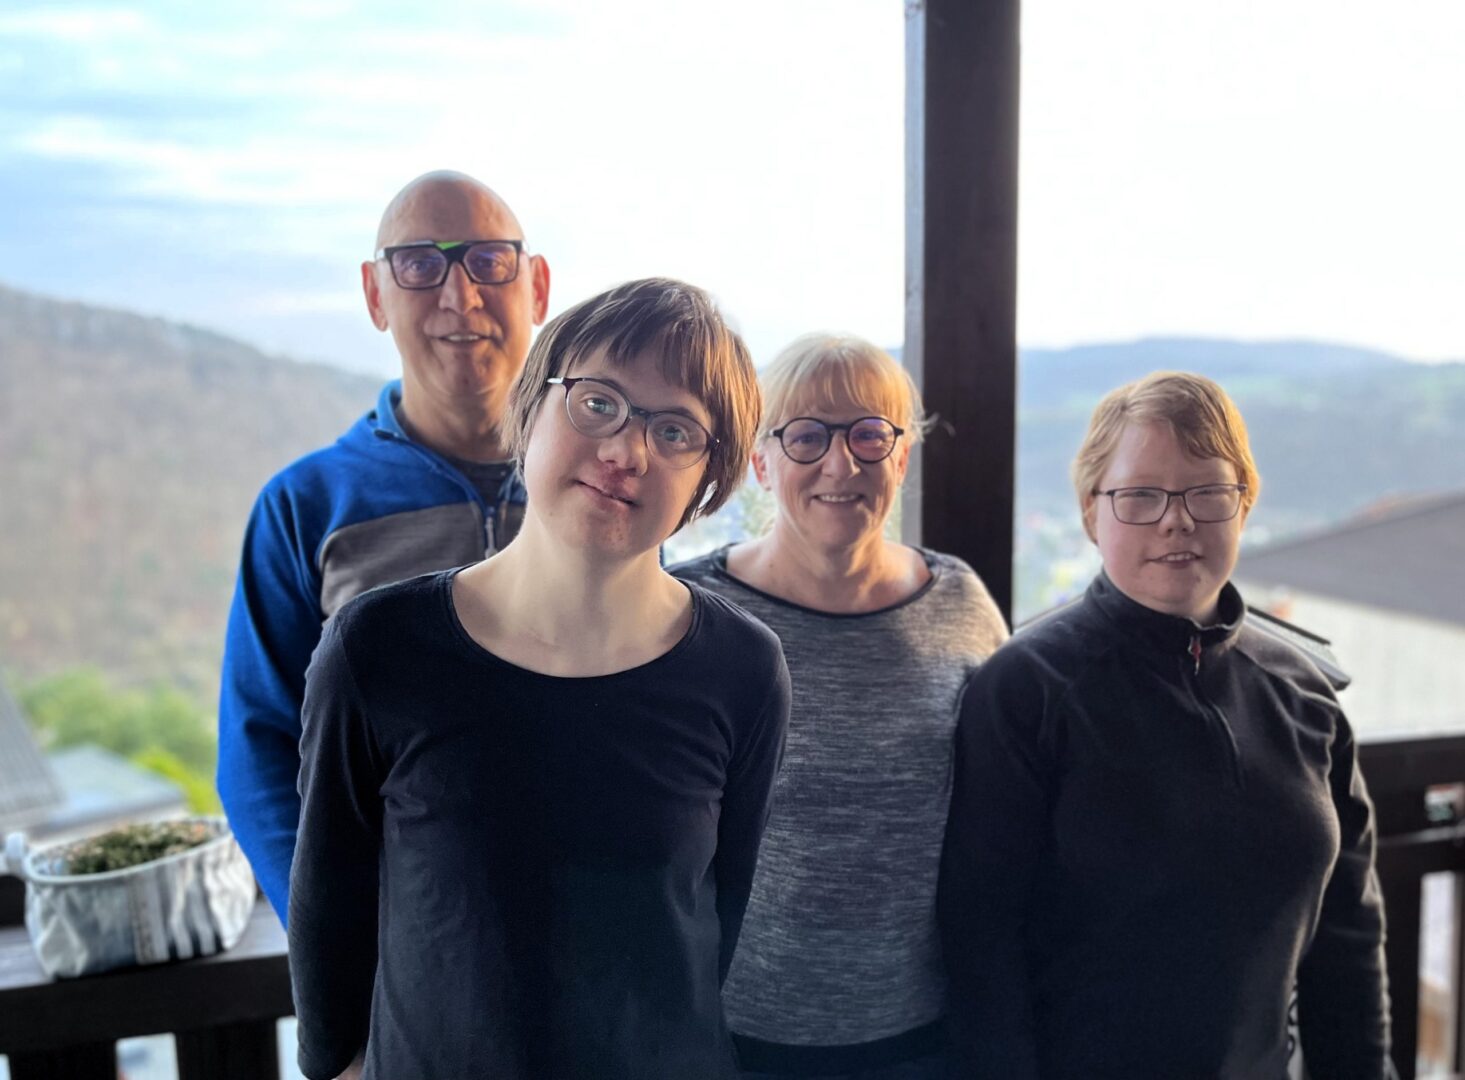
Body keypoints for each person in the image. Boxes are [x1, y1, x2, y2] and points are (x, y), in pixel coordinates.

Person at [288, 277, 791, 1080]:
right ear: (530, 411)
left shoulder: (740, 668)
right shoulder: (380, 647)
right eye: (598, 404)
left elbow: (715, 917)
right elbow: (328, 911)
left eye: (675, 431)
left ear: (706, 482)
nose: (627, 451)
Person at [938, 371, 1394, 1079]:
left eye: (1207, 492)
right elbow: (982, 954)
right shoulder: (1026, 689)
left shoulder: (1304, 693)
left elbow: (1347, 939)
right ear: (1092, 513)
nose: (1176, 520)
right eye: (1140, 495)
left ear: (1243, 505)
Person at [672, 334, 1009, 1079]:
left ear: (901, 458)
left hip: (925, 1038)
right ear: (760, 461)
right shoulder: (692, 613)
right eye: (806, 436)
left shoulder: (959, 605)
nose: (840, 464)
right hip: (732, 1040)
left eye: (867, 434)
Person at [217, 170, 551, 921]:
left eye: (489, 261)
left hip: (590, 949)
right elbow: (257, 755)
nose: (459, 295)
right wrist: (333, 953)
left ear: (537, 287)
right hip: (397, 970)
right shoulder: (307, 508)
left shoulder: (598, 486)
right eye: (419, 264)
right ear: (375, 295)